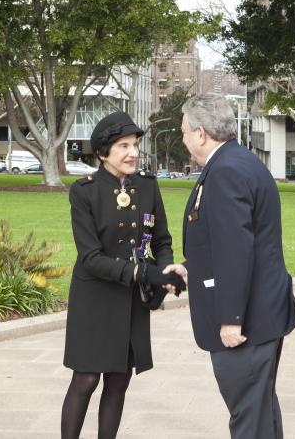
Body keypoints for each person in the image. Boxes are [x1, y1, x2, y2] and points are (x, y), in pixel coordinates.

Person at [167, 93, 295, 439]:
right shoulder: (237, 162)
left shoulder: (226, 170)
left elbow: (235, 249)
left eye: (184, 133)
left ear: (200, 133)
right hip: (261, 312)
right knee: (258, 413)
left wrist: (231, 319)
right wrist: (190, 268)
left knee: (248, 418)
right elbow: (227, 240)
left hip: (247, 321)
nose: (183, 141)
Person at [61, 112, 186, 439]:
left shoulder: (146, 185)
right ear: (103, 152)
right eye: (123, 146)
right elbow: (90, 258)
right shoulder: (84, 192)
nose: (132, 152)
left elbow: (160, 240)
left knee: (118, 380)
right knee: (86, 380)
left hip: (131, 300)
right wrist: (141, 272)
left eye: (135, 145)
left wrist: (167, 269)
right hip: (94, 298)